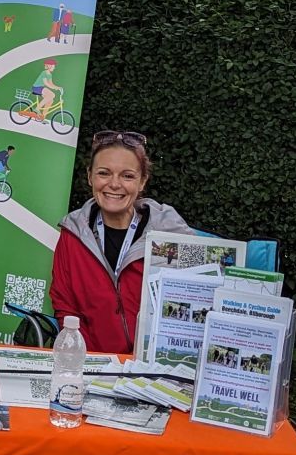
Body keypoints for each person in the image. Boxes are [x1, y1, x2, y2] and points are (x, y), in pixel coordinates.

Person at [46, 131, 194, 355]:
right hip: (94, 366)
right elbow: (64, 304)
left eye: (127, 176)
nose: (114, 184)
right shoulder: (72, 235)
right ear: (90, 177)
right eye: (104, 173)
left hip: (154, 369)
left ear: (142, 181)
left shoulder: (171, 235)